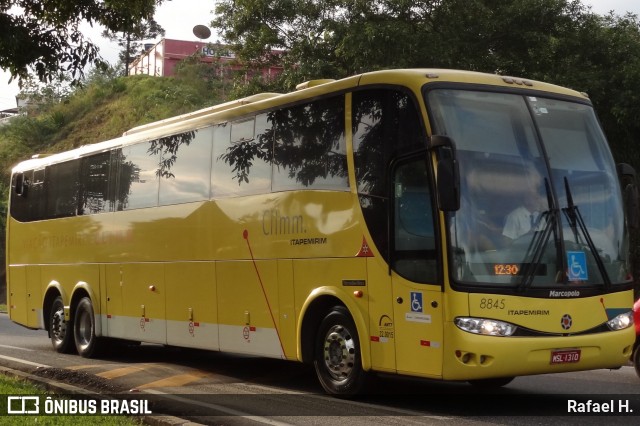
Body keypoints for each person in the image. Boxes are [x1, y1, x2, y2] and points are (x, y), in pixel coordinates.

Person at [503, 168, 546, 240]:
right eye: (534, 196)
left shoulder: (541, 216)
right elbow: (507, 244)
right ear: (526, 199)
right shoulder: (514, 217)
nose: (538, 198)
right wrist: (526, 237)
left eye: (538, 195)